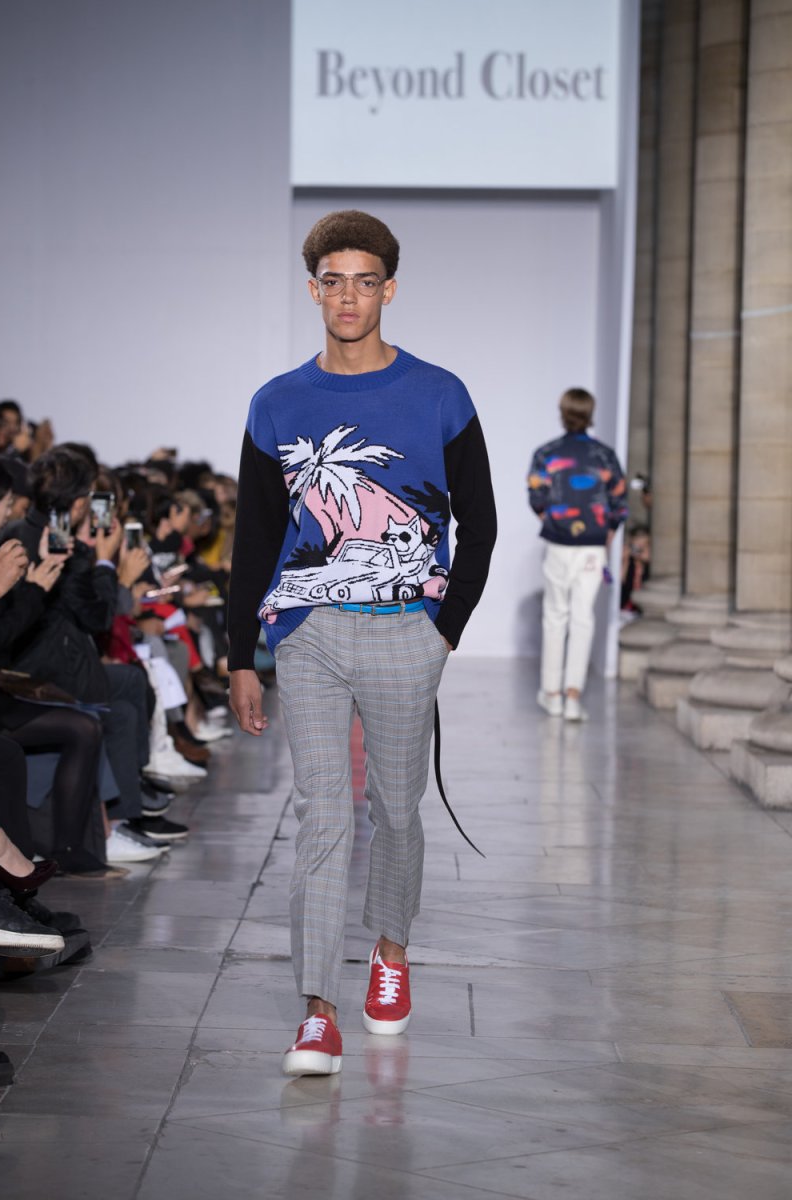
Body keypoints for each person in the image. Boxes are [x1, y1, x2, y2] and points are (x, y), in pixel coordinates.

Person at [228, 209, 496, 1076]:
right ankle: (317, 1010)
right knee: (320, 813)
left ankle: (390, 949)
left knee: (397, 810)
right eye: (333, 281)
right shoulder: (277, 402)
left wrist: (442, 632)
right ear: (313, 290)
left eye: (365, 281)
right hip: (307, 635)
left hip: (405, 633)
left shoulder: (440, 393)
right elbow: (255, 538)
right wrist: (239, 656)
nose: (349, 297)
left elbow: (481, 523)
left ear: (389, 289)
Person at [527, 387, 627, 721]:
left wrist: (555, 523)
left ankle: (552, 694)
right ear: (590, 413)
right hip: (593, 546)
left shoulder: (546, 454)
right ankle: (573, 697)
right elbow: (619, 503)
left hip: (559, 543)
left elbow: (536, 497)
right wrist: (603, 539)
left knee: (555, 615)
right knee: (583, 618)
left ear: (563, 412)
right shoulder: (605, 456)